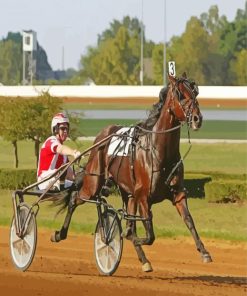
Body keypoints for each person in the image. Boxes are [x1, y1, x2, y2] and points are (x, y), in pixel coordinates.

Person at [37, 113, 81, 191]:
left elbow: (71, 175)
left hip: (58, 180)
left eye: (67, 129)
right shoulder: (51, 141)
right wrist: (73, 152)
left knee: (80, 182)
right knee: (61, 171)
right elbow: (61, 149)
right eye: (62, 129)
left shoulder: (64, 156)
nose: (65, 132)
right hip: (44, 181)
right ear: (56, 129)